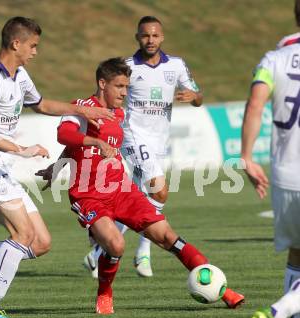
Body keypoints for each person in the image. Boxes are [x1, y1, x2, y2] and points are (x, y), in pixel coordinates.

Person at [0, 16, 114, 318]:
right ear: (15, 43)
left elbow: (42, 104)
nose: (35, 52)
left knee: (40, 243)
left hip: (1, 166)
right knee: (22, 234)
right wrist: (22, 150)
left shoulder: (19, 75)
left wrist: (81, 109)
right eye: (33, 45)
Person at [56, 56, 244, 313]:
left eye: (126, 86)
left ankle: (223, 291)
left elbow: (76, 145)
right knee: (116, 244)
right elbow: (64, 135)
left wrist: (60, 163)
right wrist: (90, 146)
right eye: (119, 86)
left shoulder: (118, 113)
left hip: (122, 191)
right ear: (102, 84)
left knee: (169, 237)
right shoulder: (82, 107)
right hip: (88, 196)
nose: (125, 92)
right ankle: (105, 293)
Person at [37, 16, 204, 278]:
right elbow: (78, 125)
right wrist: (88, 143)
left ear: (162, 37)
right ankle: (142, 253)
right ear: (137, 37)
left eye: (155, 35)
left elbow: (198, 95)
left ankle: (104, 251)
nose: (150, 40)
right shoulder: (125, 67)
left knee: (139, 200)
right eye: (145, 35)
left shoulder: (176, 65)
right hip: (132, 136)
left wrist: (195, 97)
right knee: (159, 191)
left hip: (158, 139)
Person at [245, 1, 300, 318]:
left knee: (298, 254)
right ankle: (276, 312)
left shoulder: (273, 59)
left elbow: (255, 104)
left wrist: (247, 157)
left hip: (283, 175)